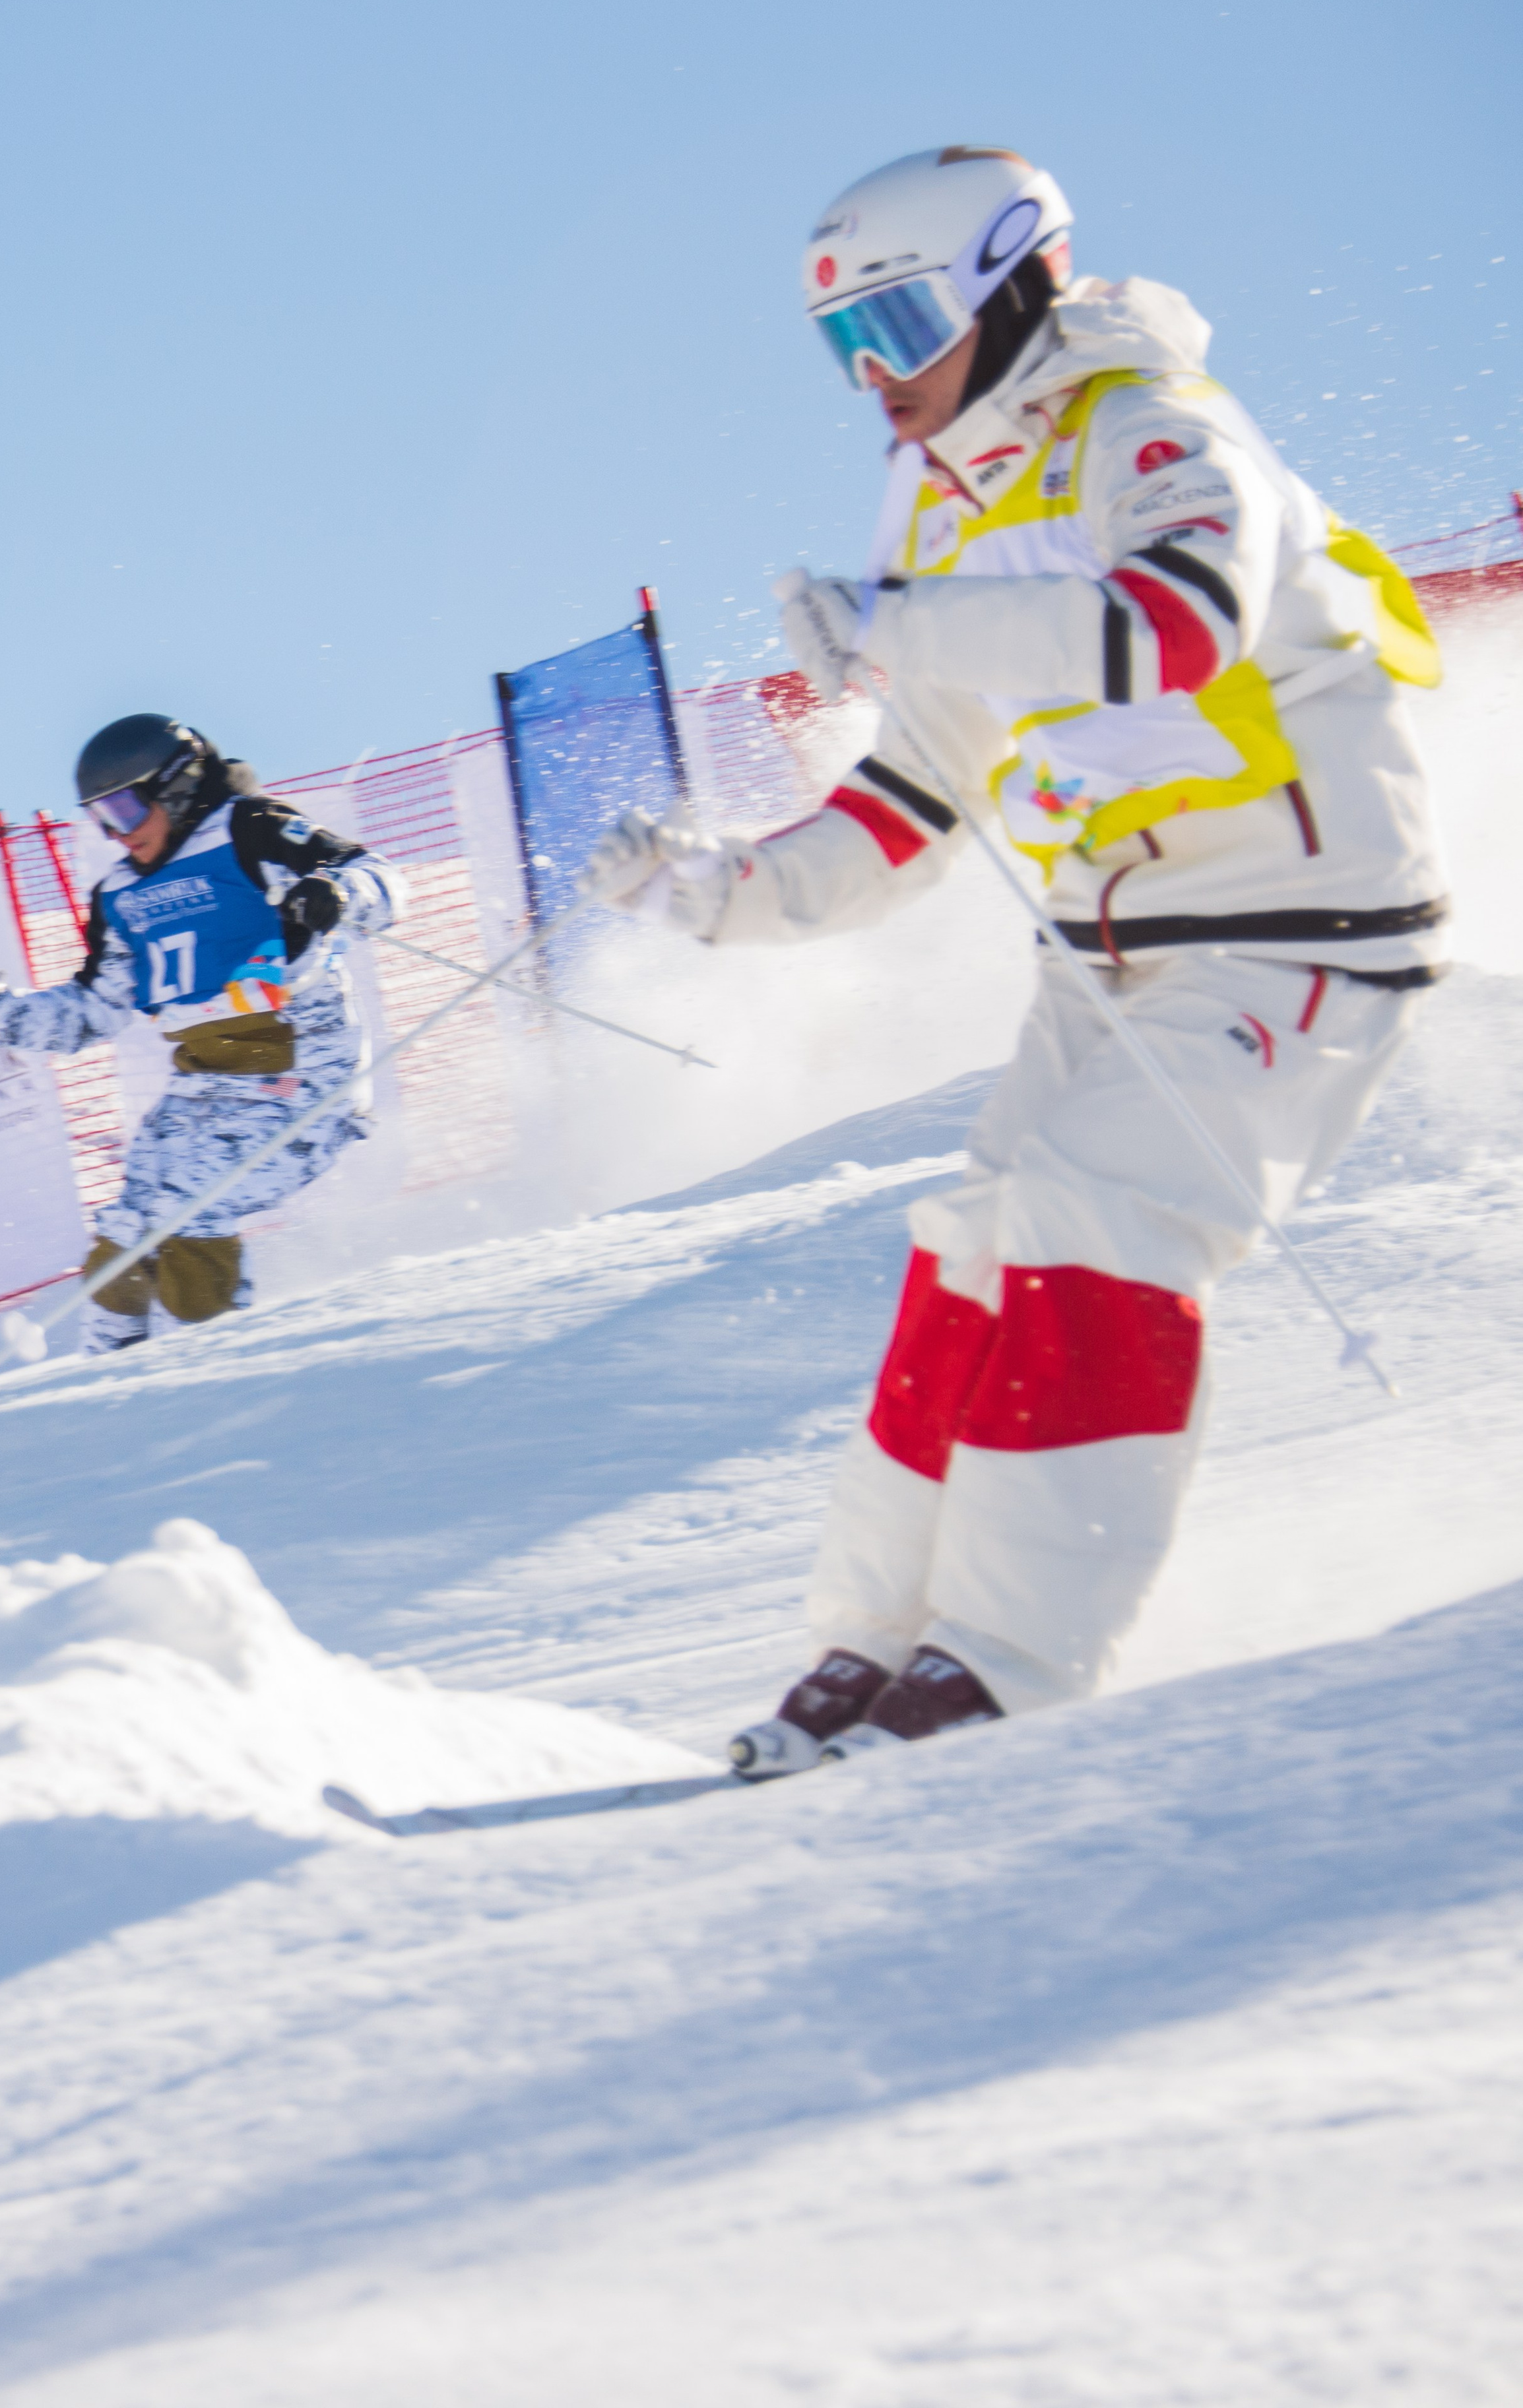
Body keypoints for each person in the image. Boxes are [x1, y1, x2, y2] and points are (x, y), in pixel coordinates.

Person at [584, 144, 1447, 1771]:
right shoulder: (936, 499)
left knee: (1088, 1224)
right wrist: (715, 893)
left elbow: (1175, 622)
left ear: (1012, 281)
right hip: (1107, 952)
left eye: (901, 320)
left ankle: (1006, 1663)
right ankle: (873, 1641)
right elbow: (913, 800)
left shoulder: (1155, 427)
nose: (879, 376)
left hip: (1299, 926)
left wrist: (898, 619)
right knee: (970, 1238)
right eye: (844, 346)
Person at [0, 714, 406, 1352]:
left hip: (299, 1087)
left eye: (128, 808)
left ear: (180, 786)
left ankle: (203, 1372)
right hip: (198, 1098)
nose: (118, 833)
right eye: (101, 818)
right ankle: (105, 1378)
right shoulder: (121, 896)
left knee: (189, 1216)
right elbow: (94, 1010)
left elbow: (375, 872)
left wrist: (336, 891)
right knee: (124, 1239)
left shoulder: (249, 831)